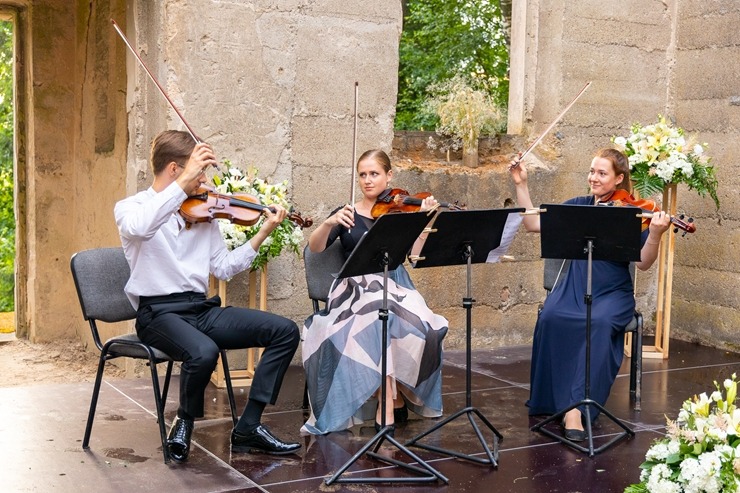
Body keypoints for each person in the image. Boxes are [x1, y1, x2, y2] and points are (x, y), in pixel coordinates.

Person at [114, 130, 301, 462]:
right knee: (204, 352)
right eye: (198, 172)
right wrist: (183, 185)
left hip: (200, 309)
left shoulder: (203, 212)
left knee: (285, 331)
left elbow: (224, 267)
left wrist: (263, 231)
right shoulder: (132, 208)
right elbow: (141, 228)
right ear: (175, 170)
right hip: (158, 313)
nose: (205, 181)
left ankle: (248, 427)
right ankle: (184, 422)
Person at [509, 147, 671, 442]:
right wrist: (521, 184)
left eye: (601, 173)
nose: (593, 178)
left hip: (612, 292)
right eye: (591, 171)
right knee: (551, 316)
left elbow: (644, 264)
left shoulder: (632, 213)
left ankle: (576, 409)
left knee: (597, 323)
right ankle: (550, 401)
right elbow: (533, 224)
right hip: (574, 286)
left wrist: (657, 234)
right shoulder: (578, 206)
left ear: (619, 178)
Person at [301, 149, 448, 435]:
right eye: (363, 175)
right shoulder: (346, 214)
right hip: (354, 287)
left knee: (423, 327)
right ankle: (387, 402)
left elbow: (415, 257)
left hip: (396, 284)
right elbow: (315, 249)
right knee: (374, 321)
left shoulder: (401, 212)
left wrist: (423, 220)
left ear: (389, 176)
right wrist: (329, 223)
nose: (368, 181)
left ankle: (388, 393)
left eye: (374, 174)